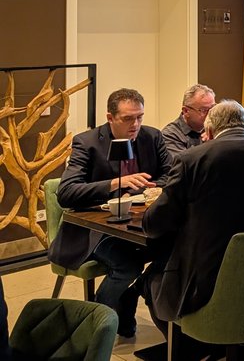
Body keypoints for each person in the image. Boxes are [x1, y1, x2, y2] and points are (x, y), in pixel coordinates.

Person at [142, 100, 244, 351]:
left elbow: (154, 225)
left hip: (209, 286)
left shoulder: (191, 159)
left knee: (151, 278)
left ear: (209, 132)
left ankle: (197, 346)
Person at [49, 88, 172, 338]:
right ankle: (95, 323)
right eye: (127, 119)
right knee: (128, 264)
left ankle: (133, 293)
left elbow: (171, 175)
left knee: (174, 250)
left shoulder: (152, 137)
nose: (135, 124)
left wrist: (141, 191)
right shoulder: (87, 143)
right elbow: (67, 192)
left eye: (139, 117)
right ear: (110, 117)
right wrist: (116, 184)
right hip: (93, 229)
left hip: (136, 223)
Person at [160, 83, 215, 156]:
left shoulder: (215, 128)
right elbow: (183, 162)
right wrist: (210, 145)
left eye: (213, 108)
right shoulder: (170, 135)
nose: (210, 113)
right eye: (203, 110)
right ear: (186, 111)